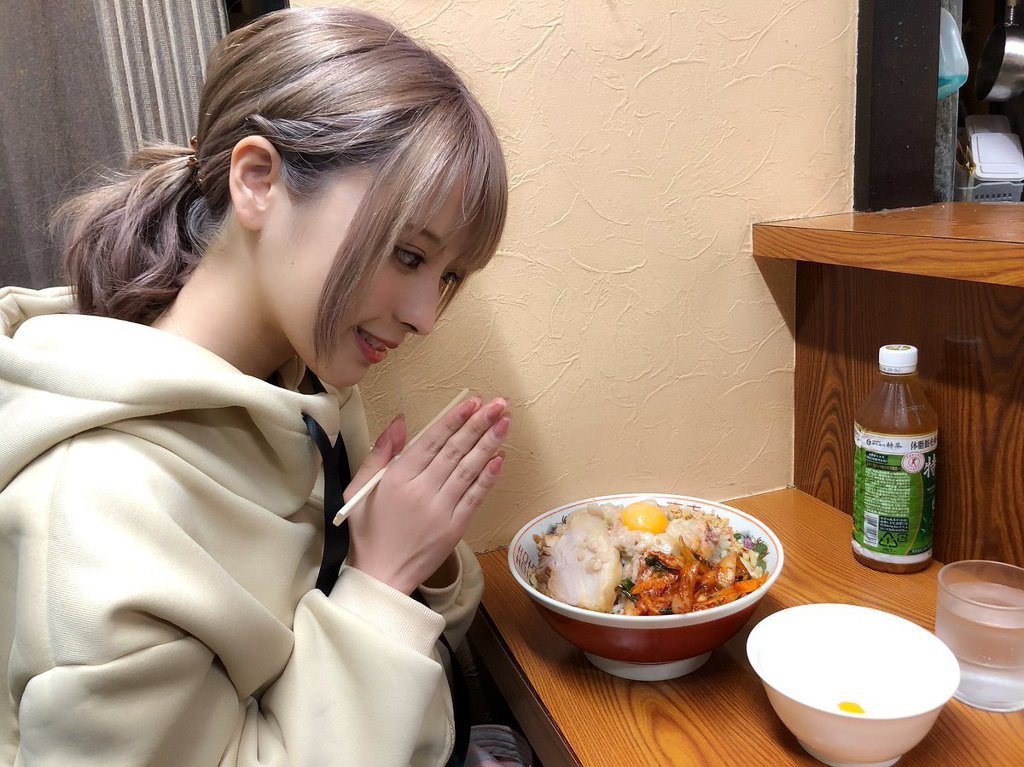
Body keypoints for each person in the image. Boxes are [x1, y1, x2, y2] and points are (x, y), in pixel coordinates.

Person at [0, 6, 518, 765]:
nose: (424, 316)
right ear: (257, 181)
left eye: (446, 277)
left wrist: (420, 550)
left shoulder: (301, 382)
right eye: (409, 254)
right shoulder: (95, 509)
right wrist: (383, 580)